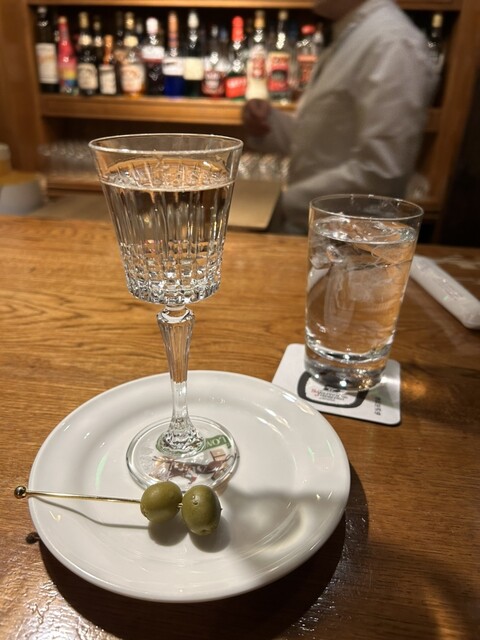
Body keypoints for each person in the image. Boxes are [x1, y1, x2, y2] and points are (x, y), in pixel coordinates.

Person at [242, 0, 439, 234]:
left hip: (349, 239)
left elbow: (380, 175)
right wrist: (267, 122)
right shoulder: (355, 32)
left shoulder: (393, 43)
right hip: (320, 230)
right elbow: (321, 142)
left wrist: (282, 203)